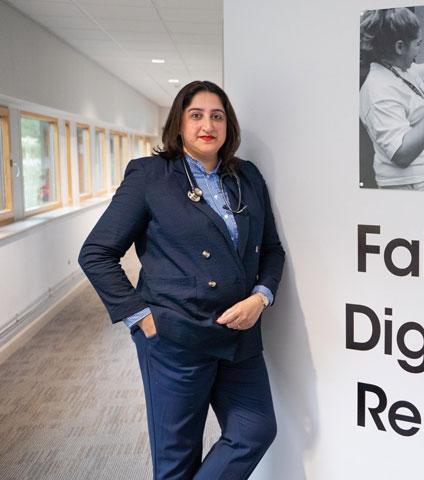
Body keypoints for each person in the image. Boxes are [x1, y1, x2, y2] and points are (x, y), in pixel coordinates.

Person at [78, 80, 285, 479]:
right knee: (177, 459)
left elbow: (272, 250)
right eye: (196, 115)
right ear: (179, 123)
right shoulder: (150, 176)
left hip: (239, 333)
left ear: (229, 126)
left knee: (255, 430)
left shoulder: (247, 177)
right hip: (175, 338)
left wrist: (261, 297)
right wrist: (141, 317)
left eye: (217, 116)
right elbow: (96, 254)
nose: (207, 124)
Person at [359, 8, 424, 190]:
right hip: (409, 185)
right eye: (418, 44)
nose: (419, 50)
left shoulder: (402, 70)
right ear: (400, 47)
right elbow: (402, 154)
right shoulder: (378, 88)